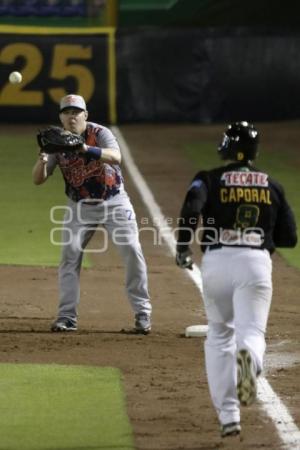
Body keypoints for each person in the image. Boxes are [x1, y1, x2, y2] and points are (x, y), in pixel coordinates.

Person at [175, 121, 297, 437]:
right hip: (255, 264)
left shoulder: (208, 179)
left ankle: (229, 416)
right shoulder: (272, 184)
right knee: (252, 331)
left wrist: (183, 246)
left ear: (226, 148)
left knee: (218, 334)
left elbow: (192, 207)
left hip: (217, 262)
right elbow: (289, 237)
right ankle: (250, 363)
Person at [32, 94, 152, 334]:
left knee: (132, 251)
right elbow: (38, 179)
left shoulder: (100, 133)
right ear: (61, 117)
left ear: (85, 115)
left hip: (114, 202)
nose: (72, 116)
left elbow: (116, 157)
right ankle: (67, 317)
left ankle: (143, 314)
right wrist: (44, 157)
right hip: (79, 207)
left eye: (77, 112)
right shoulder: (56, 141)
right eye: (67, 112)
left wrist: (84, 148)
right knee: (70, 255)